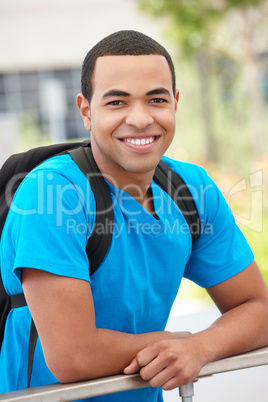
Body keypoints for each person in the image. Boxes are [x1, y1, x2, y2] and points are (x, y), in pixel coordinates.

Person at [1, 30, 268, 401]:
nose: (141, 119)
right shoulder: (51, 193)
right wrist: (174, 342)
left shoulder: (191, 189)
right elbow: (73, 356)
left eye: (156, 99)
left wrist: (201, 348)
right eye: (117, 103)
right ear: (85, 111)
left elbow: (258, 308)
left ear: (175, 103)